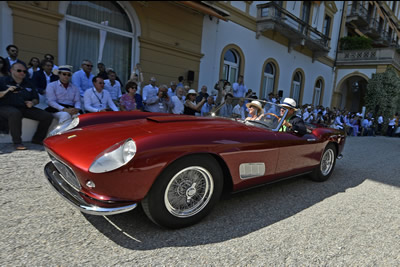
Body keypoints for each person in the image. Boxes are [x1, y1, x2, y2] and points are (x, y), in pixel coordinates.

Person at [0, 63, 53, 149]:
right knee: (15, 113)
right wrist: (7, 91)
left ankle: (37, 139)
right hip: (4, 107)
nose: (22, 73)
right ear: (11, 71)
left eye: (24, 71)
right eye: (19, 71)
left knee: (47, 116)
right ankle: (17, 142)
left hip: (24, 107)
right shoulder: (2, 81)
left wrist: (32, 103)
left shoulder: (28, 83)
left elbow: (36, 99)